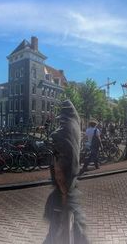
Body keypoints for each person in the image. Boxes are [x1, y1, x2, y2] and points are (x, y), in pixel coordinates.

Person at [44, 100, 89, 243]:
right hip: (72, 182)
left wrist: (63, 188)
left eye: (61, 119)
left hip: (64, 185)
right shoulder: (75, 128)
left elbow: (59, 164)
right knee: (74, 223)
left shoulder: (62, 134)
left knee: (59, 226)